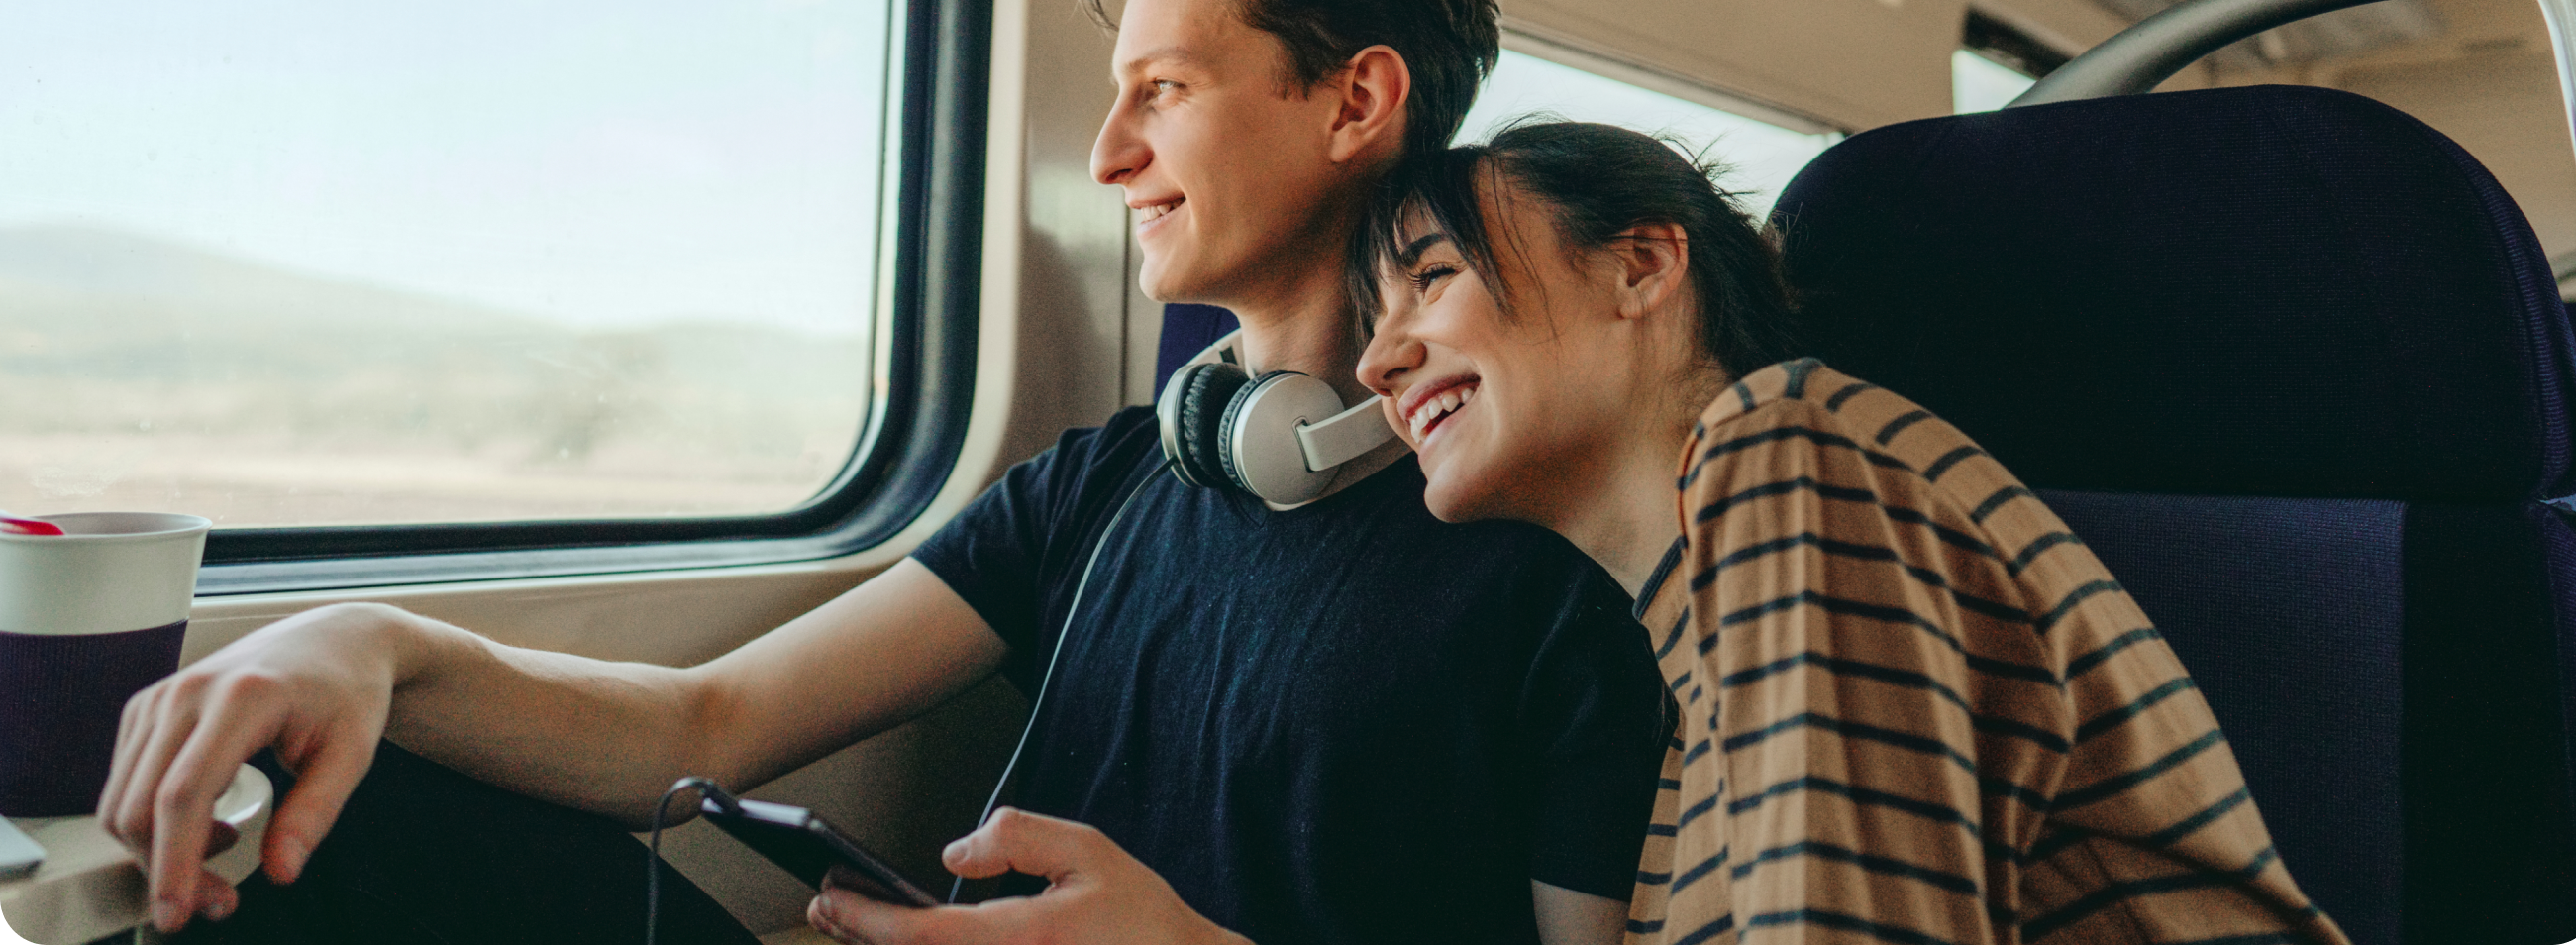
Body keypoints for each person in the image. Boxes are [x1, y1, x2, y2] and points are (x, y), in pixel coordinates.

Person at [106, 0, 1667, 945]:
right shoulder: (1113, 483)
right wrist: (375, 642)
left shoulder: (1546, 543)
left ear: (1355, 101)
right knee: (364, 811)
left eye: (1166, 92)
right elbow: (704, 729)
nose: (1113, 154)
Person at [829, 120, 2358, 945]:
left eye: (1430, 280)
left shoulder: (1789, 464)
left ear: (1643, 268)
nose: (1376, 361)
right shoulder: (1691, 626)